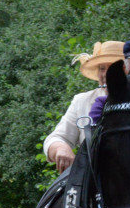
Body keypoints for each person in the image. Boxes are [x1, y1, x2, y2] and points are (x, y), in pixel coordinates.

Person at [43, 40, 124, 173]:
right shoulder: (82, 101)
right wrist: (61, 148)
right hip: (91, 183)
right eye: (102, 68)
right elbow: (56, 138)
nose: (105, 75)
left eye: (113, 68)